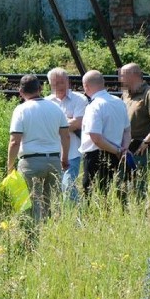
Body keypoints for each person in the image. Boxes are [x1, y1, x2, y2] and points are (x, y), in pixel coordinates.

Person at [6, 74, 70, 221]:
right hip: (54, 160)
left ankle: (33, 237)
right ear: (40, 89)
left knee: (31, 203)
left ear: (20, 92)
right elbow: (65, 136)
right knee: (51, 202)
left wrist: (9, 167)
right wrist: (64, 158)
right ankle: (50, 231)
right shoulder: (56, 108)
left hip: (30, 162)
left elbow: (15, 141)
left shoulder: (21, 110)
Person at [119, 62, 150, 198]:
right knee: (121, 186)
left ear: (134, 75)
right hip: (123, 147)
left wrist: (147, 141)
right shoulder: (125, 94)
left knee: (138, 186)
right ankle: (124, 215)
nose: (120, 79)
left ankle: (140, 215)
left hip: (139, 147)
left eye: (122, 76)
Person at [79, 70, 131, 197]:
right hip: (117, 155)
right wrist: (123, 149)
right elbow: (127, 130)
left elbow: (96, 138)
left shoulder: (94, 106)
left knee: (91, 195)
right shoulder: (119, 102)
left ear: (86, 86)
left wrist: (118, 151)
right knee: (108, 193)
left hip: (95, 155)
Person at [46, 67, 87, 202]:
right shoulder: (46, 102)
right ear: (50, 84)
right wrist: (67, 120)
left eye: (62, 82)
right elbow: (45, 126)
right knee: (54, 190)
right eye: (55, 83)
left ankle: (76, 218)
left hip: (73, 153)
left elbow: (78, 123)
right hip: (51, 153)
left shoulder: (79, 99)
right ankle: (60, 217)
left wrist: (55, 124)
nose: (59, 86)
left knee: (68, 187)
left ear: (68, 81)